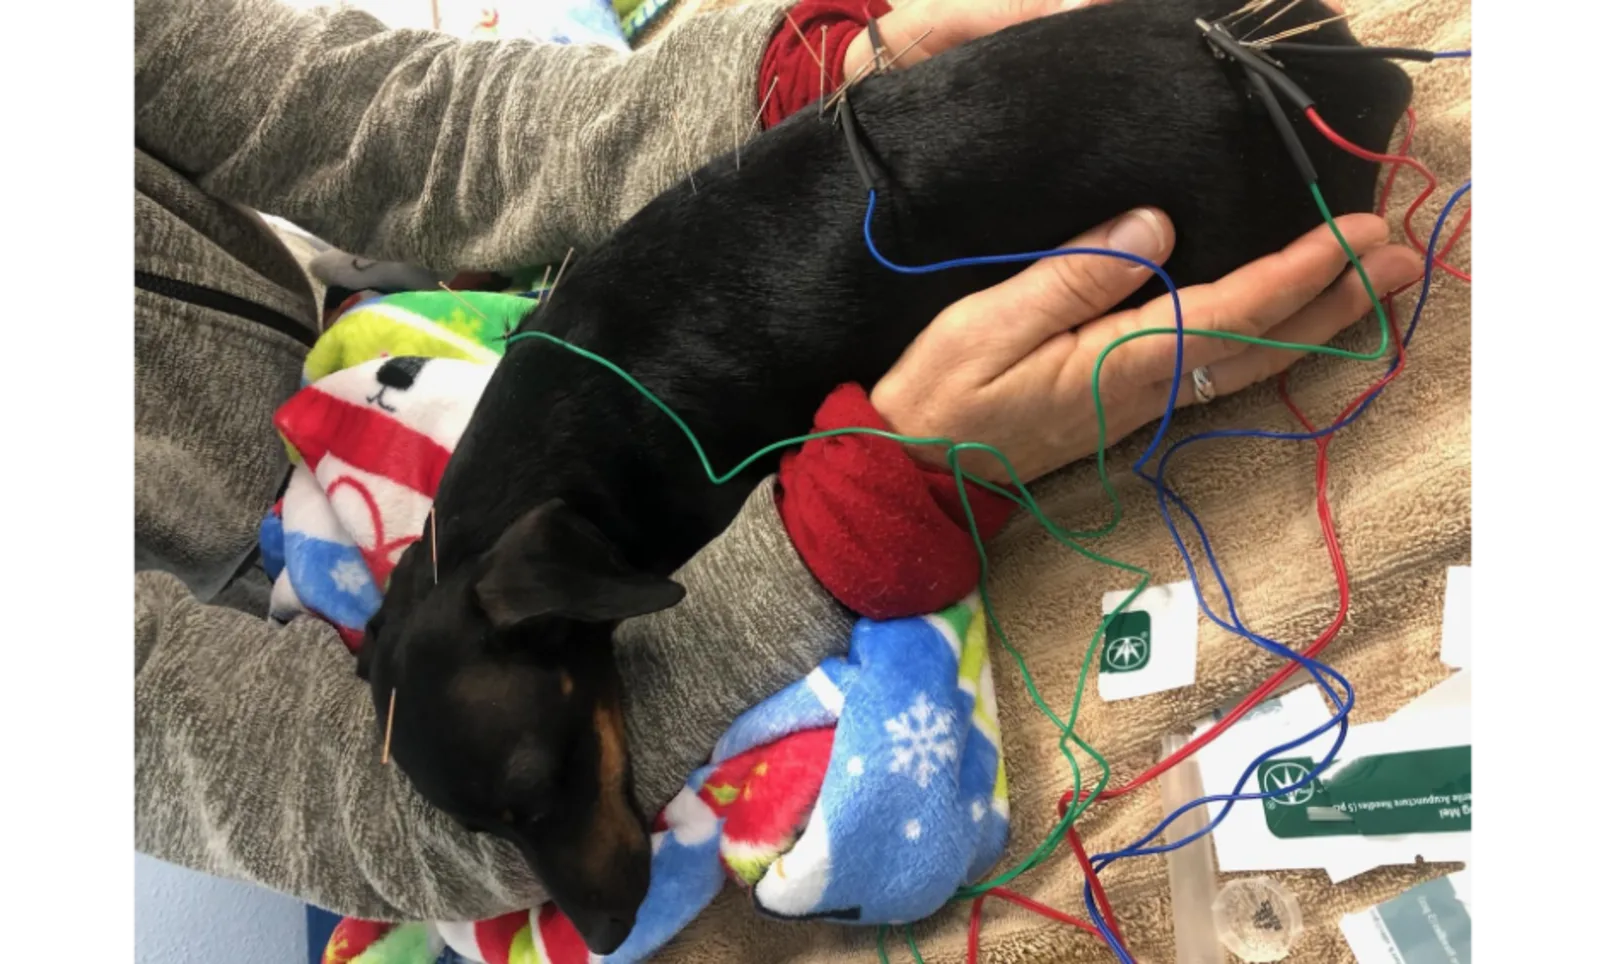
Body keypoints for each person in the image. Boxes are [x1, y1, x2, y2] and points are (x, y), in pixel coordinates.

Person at [131, 0, 1423, 926]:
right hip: (314, 637)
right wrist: (853, 513)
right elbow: (337, 803)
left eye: (548, 802)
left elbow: (395, 125)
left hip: (409, 415)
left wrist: (802, 81)